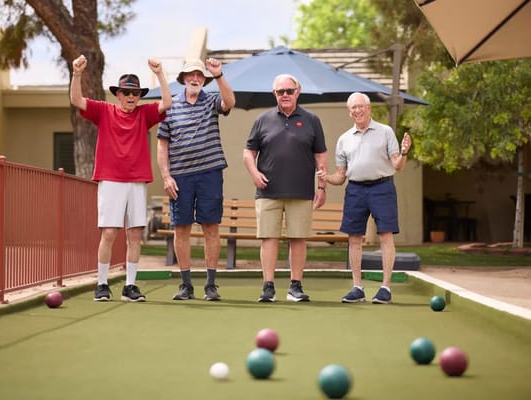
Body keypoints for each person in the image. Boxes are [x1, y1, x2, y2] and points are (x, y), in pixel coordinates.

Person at [70, 54, 172, 302]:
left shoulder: (145, 114)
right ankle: (102, 284)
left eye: (135, 93)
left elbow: (167, 103)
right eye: (126, 92)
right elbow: (76, 100)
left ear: (140, 96)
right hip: (111, 181)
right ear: (118, 94)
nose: (130, 97)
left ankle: (130, 286)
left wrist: (160, 74)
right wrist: (77, 74)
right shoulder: (104, 110)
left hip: (136, 181)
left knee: (135, 234)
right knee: (109, 233)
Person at [317, 92, 411, 304]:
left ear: (368, 108)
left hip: (382, 187)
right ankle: (357, 288)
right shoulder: (344, 139)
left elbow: (398, 166)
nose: (357, 110)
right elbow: (340, 177)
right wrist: (326, 178)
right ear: (349, 112)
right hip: (355, 190)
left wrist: (404, 153)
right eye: (353, 108)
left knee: (386, 236)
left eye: (361, 106)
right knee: (354, 238)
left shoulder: (385, 132)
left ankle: (385, 288)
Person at [243, 74, 328, 302]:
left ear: (297, 92)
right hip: (268, 190)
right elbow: (248, 152)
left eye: (289, 91)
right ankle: (268, 287)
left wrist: (321, 186)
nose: (285, 95)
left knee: (298, 238)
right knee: (268, 238)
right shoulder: (262, 120)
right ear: (274, 94)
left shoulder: (312, 120)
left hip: (301, 191)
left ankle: (295, 287)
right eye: (280, 92)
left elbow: (320, 155)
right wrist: (254, 173)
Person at [156, 58, 236, 301]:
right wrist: (166, 176)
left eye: (200, 76)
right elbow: (162, 146)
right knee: (181, 228)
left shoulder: (211, 99)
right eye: (191, 75)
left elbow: (230, 102)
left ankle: (211, 285)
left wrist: (219, 75)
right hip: (180, 177)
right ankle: (186, 285)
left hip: (210, 173)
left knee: (211, 227)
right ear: (183, 78)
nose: (196, 79)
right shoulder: (169, 106)